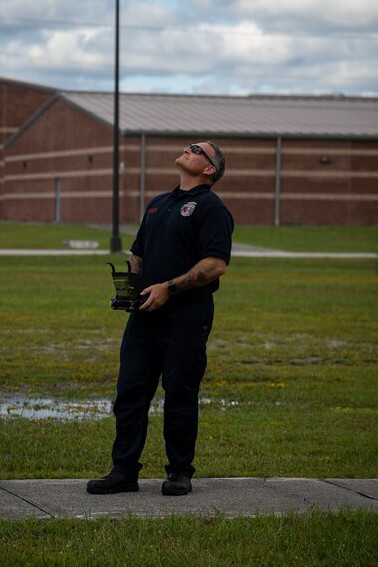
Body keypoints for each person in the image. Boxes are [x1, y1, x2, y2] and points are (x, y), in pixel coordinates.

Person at [87, 140, 234, 496]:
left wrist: (169, 287)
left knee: (180, 392)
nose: (189, 150)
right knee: (130, 392)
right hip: (145, 316)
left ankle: (180, 472)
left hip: (186, 316)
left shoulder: (211, 208)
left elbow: (216, 264)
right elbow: (138, 254)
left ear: (209, 169)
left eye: (198, 150)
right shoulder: (158, 204)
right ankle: (124, 471)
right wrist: (132, 292)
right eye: (189, 146)